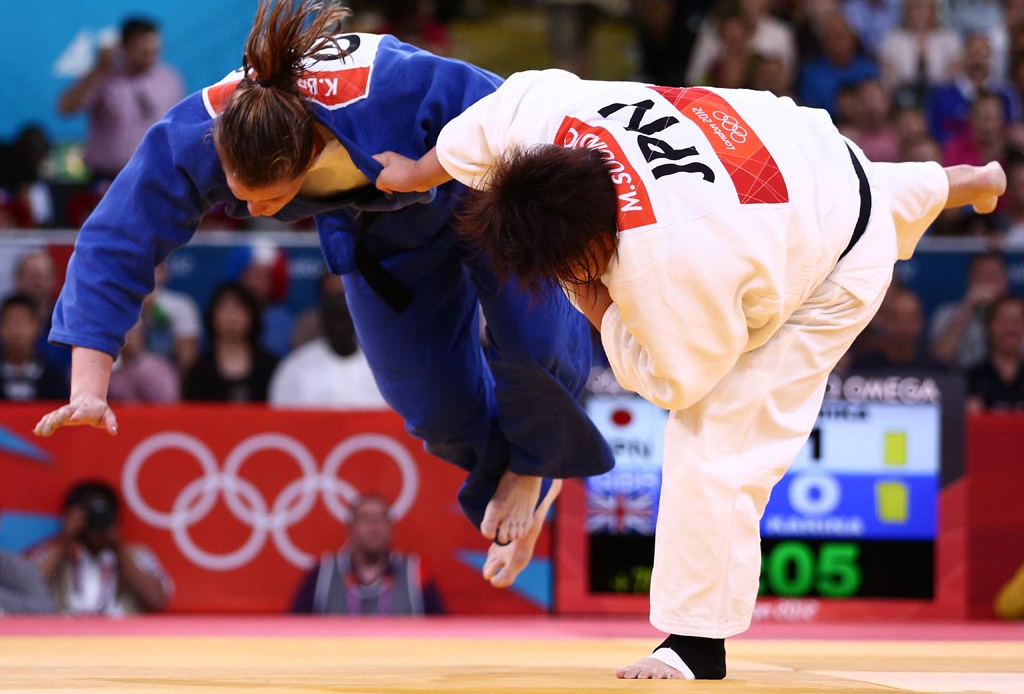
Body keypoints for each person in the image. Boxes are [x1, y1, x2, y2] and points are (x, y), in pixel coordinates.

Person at [372, 68, 1006, 679]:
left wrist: (597, 307)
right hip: (805, 152)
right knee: (850, 189)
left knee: (718, 437)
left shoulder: (664, 266)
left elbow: (678, 383)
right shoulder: (547, 121)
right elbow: (482, 125)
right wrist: (416, 173)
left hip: (834, 268)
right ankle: (953, 182)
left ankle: (696, 643)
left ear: (596, 249)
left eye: (570, 267)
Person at [33, 0, 612, 588]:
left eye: (271, 199)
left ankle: (536, 463)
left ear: (311, 153)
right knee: (429, 408)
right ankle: (512, 470)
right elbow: (117, 236)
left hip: (487, 197)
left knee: (537, 340)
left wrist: (584, 244)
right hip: (382, 239)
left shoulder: (403, 88)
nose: (255, 213)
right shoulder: (198, 132)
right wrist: (90, 382)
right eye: (240, 197)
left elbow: (525, 125)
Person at [56, 17, 184, 184]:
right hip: (107, 179)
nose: (149, 52)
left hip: (155, 175)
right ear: (124, 46)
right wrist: (98, 69)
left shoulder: (170, 79)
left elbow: (178, 125)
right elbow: (66, 107)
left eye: (154, 47)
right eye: (142, 47)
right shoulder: (105, 76)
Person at [34, 481, 171, 615]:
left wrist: (118, 548)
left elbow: (157, 600)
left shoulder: (137, 554)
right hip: (63, 634)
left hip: (121, 634)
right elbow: (30, 587)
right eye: (89, 515)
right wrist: (66, 539)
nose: (95, 521)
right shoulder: (53, 552)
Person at [291, 494, 443, 615]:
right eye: (365, 519)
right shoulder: (322, 574)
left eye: (380, 518)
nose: (374, 527)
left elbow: (442, 633)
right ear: (350, 528)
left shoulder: (417, 572)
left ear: (391, 527)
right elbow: (292, 632)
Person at [269, 290, 386, 408]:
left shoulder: (382, 364)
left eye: (344, 319)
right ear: (322, 324)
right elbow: (281, 415)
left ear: (356, 322)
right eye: (333, 320)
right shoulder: (295, 365)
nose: (339, 326)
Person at [182, 282, 278, 403]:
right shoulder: (200, 370)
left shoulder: (270, 366)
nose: (231, 316)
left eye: (238, 308)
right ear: (213, 316)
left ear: (252, 316)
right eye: (224, 308)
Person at [0, 294, 69, 402]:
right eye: (11, 322)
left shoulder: (54, 376)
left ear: (38, 327)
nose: (17, 331)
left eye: (23, 322)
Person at [966, 294, 1024, 412]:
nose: (1011, 328)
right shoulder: (970, 379)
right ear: (989, 327)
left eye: (1018, 321)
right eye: (1004, 321)